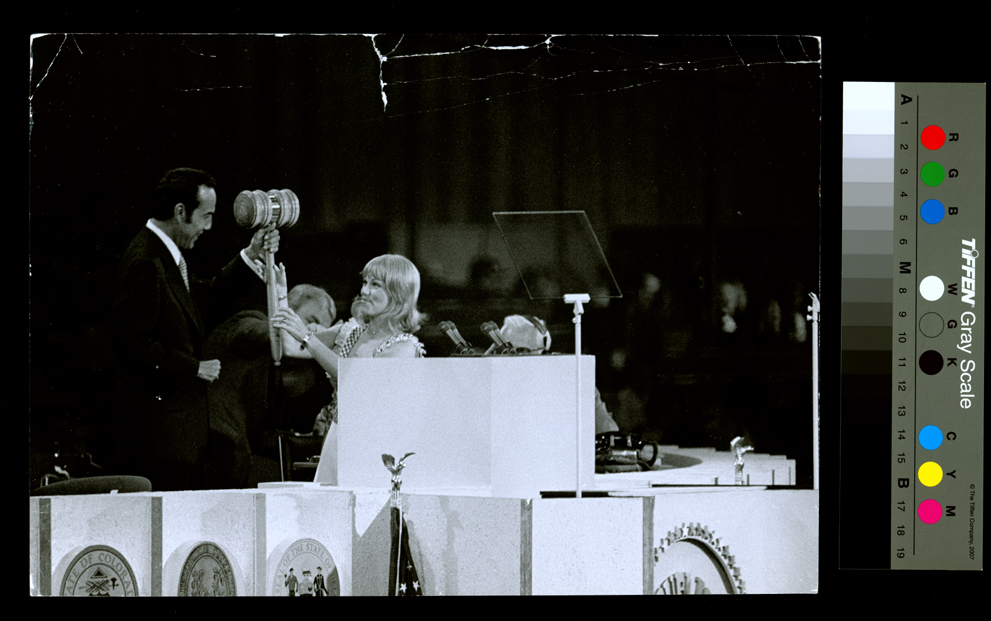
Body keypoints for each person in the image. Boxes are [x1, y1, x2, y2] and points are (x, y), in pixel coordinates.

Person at [111, 167, 279, 492]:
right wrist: (193, 368)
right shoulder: (145, 261)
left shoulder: (163, 255)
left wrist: (251, 255)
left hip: (177, 441)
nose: (209, 226)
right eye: (206, 216)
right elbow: (130, 343)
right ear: (180, 212)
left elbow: (199, 303)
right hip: (158, 443)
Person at [272, 254, 427, 445]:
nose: (365, 291)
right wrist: (280, 295)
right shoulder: (350, 332)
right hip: (335, 437)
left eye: (375, 285)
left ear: (398, 294)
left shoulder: (404, 347)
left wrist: (308, 337)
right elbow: (291, 347)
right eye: (365, 282)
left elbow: (355, 380)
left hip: (374, 444)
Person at [200, 275, 337, 489]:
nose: (313, 331)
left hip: (233, 454)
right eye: (311, 321)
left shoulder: (286, 368)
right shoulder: (248, 322)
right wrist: (332, 336)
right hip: (211, 446)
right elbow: (267, 334)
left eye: (321, 327)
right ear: (287, 308)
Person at [494, 314, 620, 435]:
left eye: (522, 350)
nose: (516, 358)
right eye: (507, 353)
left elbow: (607, 430)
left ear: (543, 350)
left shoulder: (574, 382)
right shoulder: (497, 386)